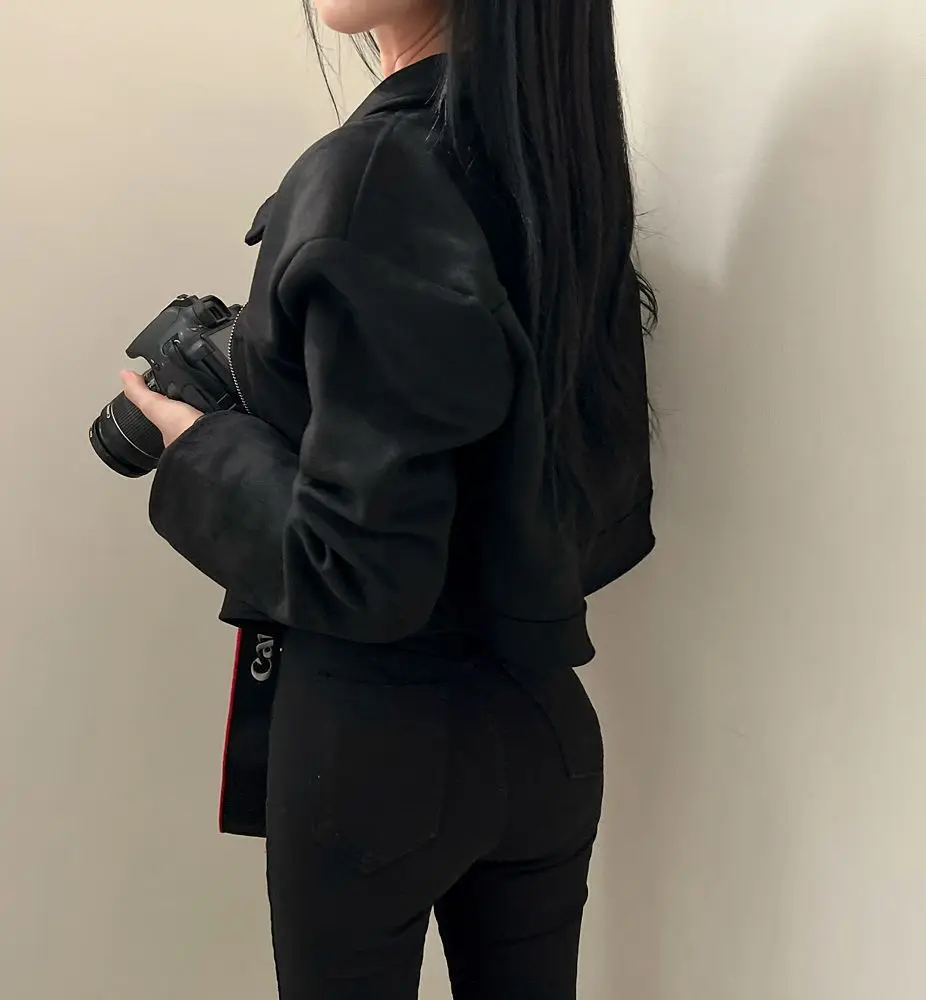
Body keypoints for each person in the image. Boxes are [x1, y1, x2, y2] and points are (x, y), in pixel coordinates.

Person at [120, 0, 657, 997]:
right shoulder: (559, 168)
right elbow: (603, 516)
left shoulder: (370, 172)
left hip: (373, 745)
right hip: (542, 725)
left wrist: (202, 445)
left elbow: (358, 573)